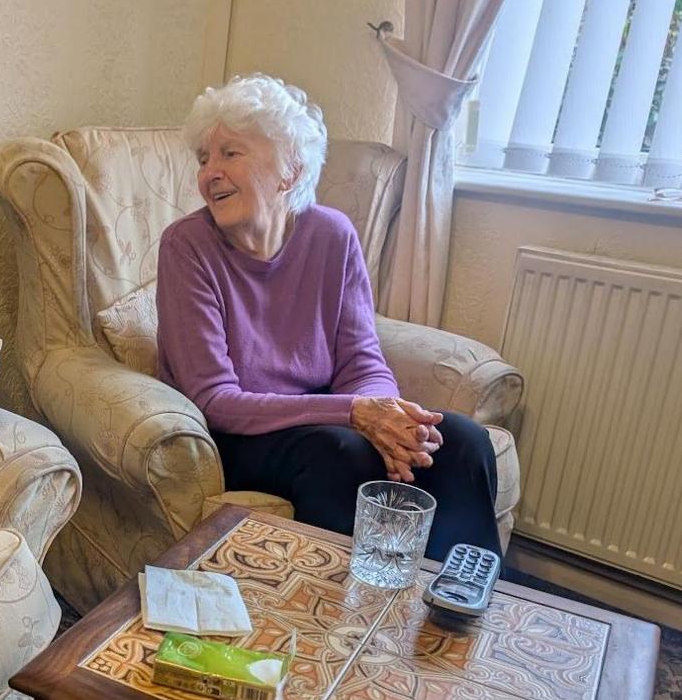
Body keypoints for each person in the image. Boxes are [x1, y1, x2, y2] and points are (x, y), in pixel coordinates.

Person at [156, 73, 501, 561]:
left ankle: (457, 608)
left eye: (230, 154)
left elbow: (361, 360)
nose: (210, 172)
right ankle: (337, 616)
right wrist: (355, 414)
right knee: (343, 453)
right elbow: (216, 398)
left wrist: (391, 418)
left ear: (291, 171)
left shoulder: (333, 235)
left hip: (326, 418)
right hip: (242, 434)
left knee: (462, 441)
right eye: (204, 158)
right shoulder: (187, 247)